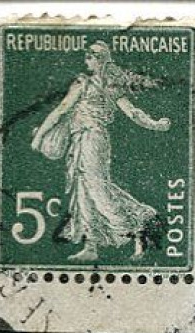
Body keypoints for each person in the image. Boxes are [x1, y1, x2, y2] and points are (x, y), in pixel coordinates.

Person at [30, 42, 171, 262]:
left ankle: (139, 225)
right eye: (86, 56)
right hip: (83, 140)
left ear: (101, 59)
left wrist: (39, 137)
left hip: (91, 139)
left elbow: (61, 110)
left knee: (97, 190)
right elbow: (132, 113)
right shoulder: (100, 85)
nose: (87, 60)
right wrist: (155, 124)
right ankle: (91, 246)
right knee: (83, 191)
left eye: (91, 56)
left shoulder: (90, 84)